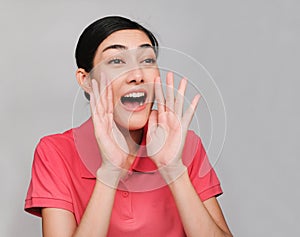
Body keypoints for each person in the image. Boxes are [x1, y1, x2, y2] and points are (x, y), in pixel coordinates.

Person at [24, 16, 233, 237]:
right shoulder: (55, 151)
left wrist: (174, 170)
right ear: (85, 79)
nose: (137, 75)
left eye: (147, 60)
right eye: (116, 61)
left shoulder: (186, 144)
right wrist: (109, 174)